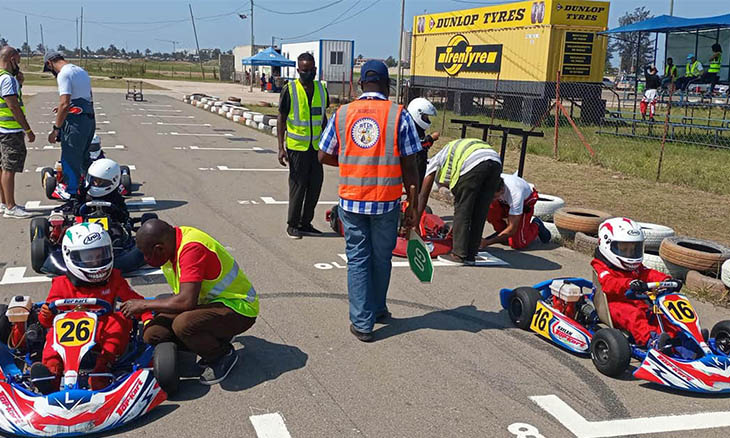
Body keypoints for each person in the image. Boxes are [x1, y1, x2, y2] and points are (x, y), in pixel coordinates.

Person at [318, 60, 421, 342]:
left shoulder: (343, 114)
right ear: (387, 85)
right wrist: (412, 206)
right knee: (381, 257)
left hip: (351, 203)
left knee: (358, 259)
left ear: (361, 84)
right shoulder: (399, 115)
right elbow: (411, 165)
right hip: (386, 202)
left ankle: (362, 322)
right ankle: (376, 308)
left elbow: (322, 154)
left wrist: (354, 163)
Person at [120, 219, 259, 385]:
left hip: (238, 307)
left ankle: (222, 354)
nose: (144, 259)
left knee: (183, 325)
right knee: (153, 333)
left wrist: (143, 305)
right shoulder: (169, 246)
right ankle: (209, 338)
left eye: (146, 254)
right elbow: (181, 295)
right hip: (207, 305)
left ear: (159, 249)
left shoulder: (191, 248)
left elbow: (186, 302)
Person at [28, 223, 152, 394]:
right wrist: (47, 314)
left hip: (103, 331)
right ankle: (50, 376)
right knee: (53, 335)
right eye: (88, 257)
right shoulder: (61, 284)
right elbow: (46, 321)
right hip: (67, 335)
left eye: (100, 256)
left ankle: (101, 371)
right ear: (70, 256)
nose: (95, 262)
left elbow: (135, 301)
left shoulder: (114, 278)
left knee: (119, 320)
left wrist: (147, 319)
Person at [591, 217, 681, 350]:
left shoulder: (635, 268)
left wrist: (666, 280)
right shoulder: (601, 266)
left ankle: (679, 339)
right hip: (614, 306)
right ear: (607, 244)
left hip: (640, 303)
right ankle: (651, 341)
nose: (629, 253)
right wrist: (629, 283)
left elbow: (648, 274)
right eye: (624, 249)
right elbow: (609, 283)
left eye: (633, 249)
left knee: (663, 313)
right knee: (634, 315)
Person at [417, 138, 502, 265]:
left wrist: (417, 219)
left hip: (473, 163)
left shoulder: (436, 159)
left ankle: (458, 255)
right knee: (480, 210)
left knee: (463, 209)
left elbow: (424, 193)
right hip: (495, 162)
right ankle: (471, 254)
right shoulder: (453, 149)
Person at [277, 52, 329, 239]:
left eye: (312, 70)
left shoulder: (322, 89)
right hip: (296, 148)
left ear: (316, 69)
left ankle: (306, 223)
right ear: (298, 70)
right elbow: (281, 118)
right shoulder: (290, 89)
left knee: (315, 186)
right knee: (298, 186)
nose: (308, 73)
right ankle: (293, 224)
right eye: (304, 70)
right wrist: (281, 148)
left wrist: (328, 143)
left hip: (316, 148)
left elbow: (323, 117)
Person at [43, 51, 95, 201]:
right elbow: (87, 98)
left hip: (75, 124)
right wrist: (63, 109)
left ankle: (72, 194)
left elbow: (65, 103)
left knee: (70, 159)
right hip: (88, 119)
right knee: (85, 158)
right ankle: (90, 187)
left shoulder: (63, 74)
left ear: (49, 63)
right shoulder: (81, 71)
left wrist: (56, 129)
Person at [0, 46, 34, 218]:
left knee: (2, 166)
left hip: (1, 127)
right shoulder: (7, 79)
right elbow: (13, 105)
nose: (18, 66)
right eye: (18, 61)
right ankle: (11, 207)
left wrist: (19, 83)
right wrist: (27, 129)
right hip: (10, 130)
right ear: (12, 59)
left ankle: (4, 202)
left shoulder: (2, 77)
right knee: (9, 167)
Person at [481, 173, 551, 250]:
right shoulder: (488, 184)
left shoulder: (516, 195)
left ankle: (537, 225)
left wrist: (488, 242)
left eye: (494, 196)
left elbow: (512, 228)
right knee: (491, 211)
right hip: (504, 200)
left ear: (502, 190)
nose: (491, 199)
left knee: (518, 243)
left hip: (525, 202)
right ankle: (502, 232)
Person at [74, 158, 129, 224]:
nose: (96, 184)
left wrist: (115, 211)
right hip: (88, 229)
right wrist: (79, 195)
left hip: (111, 229)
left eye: (100, 181)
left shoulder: (115, 196)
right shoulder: (85, 195)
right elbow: (76, 212)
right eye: (94, 180)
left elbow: (124, 217)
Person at [406, 97, 439, 183]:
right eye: (425, 117)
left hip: (420, 164)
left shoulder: (418, 129)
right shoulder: (410, 128)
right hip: (413, 166)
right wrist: (431, 139)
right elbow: (417, 144)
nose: (427, 120)